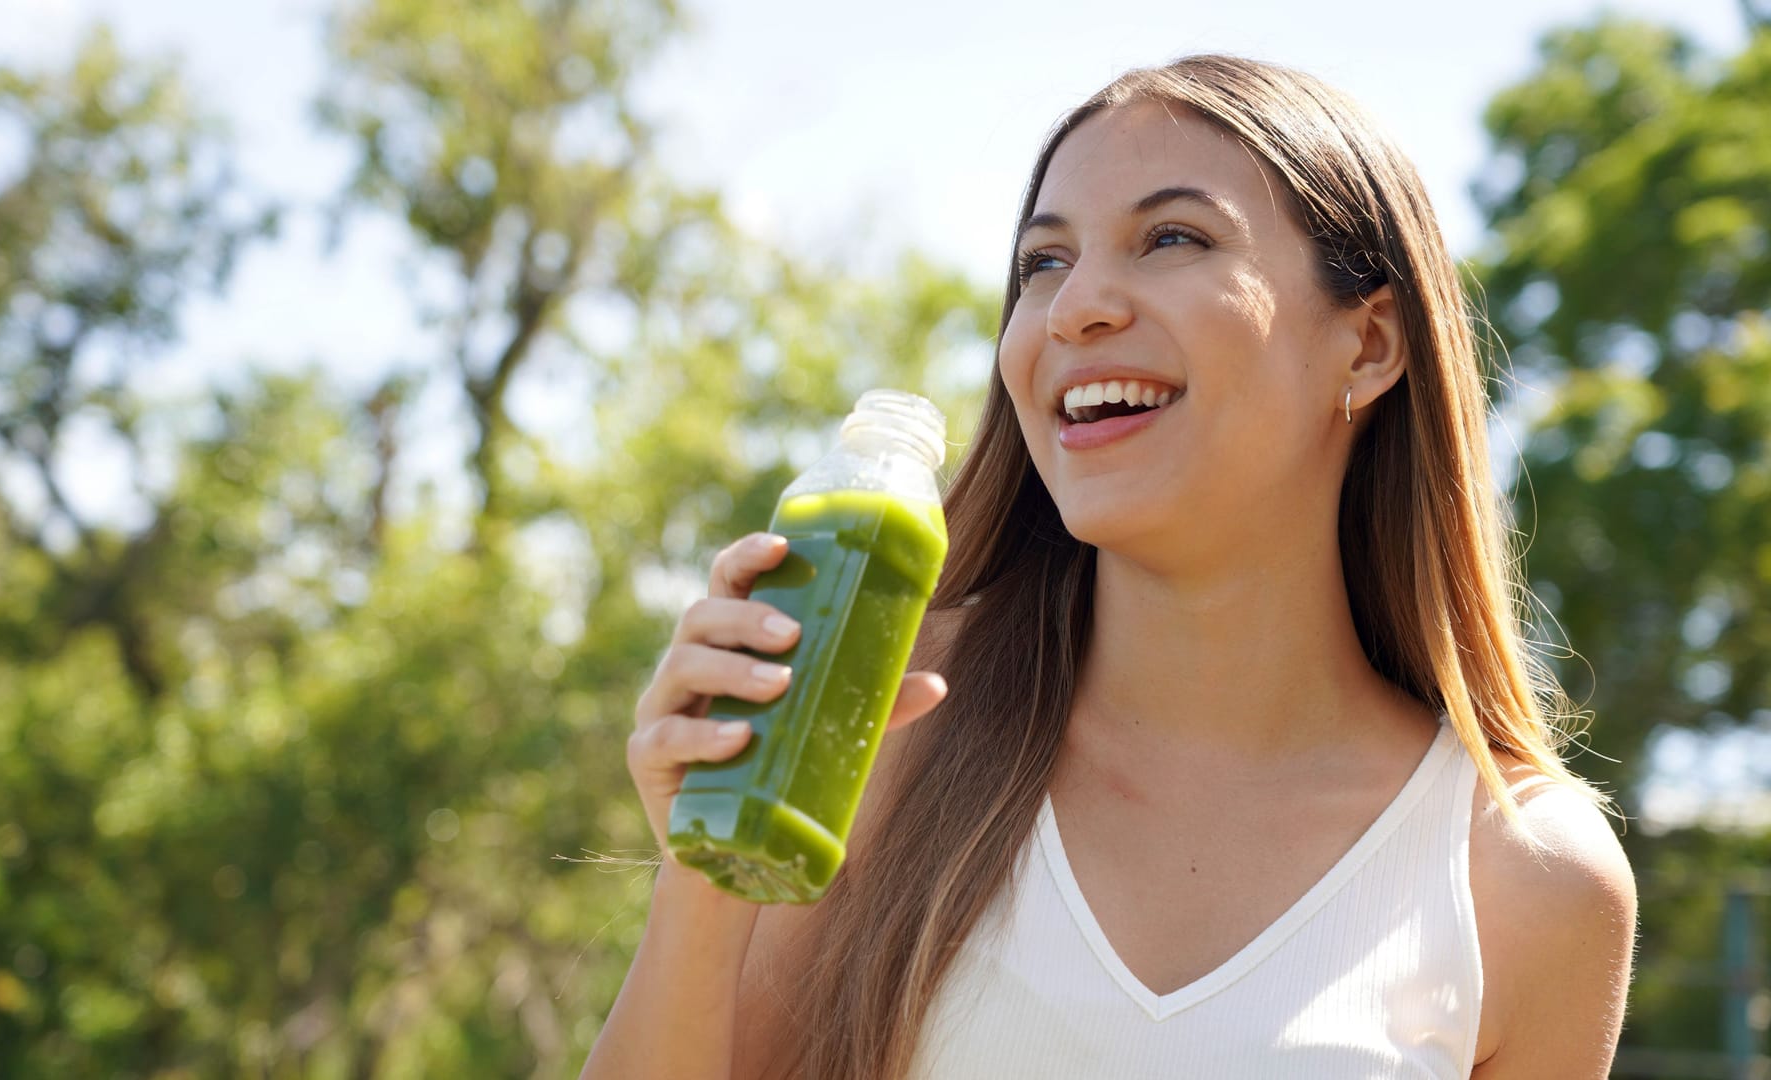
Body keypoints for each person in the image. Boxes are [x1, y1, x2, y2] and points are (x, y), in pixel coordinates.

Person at [583, 54, 1637, 1079]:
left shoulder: (1529, 877)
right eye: (1043, 261)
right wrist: (704, 872)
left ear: (1368, 346)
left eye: (1171, 237)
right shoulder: (881, 720)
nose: (1074, 306)